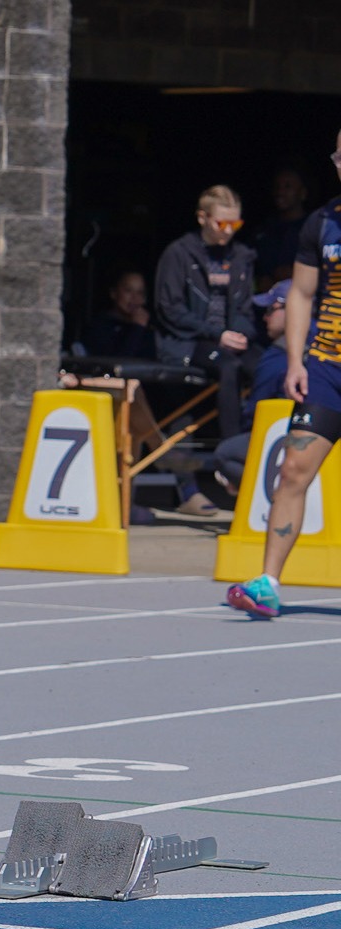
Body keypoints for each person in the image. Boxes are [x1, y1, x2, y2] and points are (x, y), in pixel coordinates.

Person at [226, 130, 341, 620]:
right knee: (293, 470)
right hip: (327, 368)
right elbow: (301, 294)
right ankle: (268, 583)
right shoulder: (323, 221)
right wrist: (296, 361)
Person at [155, 184, 259, 440]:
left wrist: (241, 333)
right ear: (202, 218)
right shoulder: (179, 253)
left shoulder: (242, 256)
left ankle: (265, 437)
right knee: (229, 367)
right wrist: (217, 334)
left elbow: (246, 308)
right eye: (221, 224)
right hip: (190, 341)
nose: (228, 231)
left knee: (268, 365)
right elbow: (170, 309)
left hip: (230, 338)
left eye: (235, 224)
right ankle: (231, 446)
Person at [211, 281, 293, 492]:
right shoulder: (327, 346)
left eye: (270, 310)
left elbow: (256, 415)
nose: (265, 317)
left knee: (225, 454)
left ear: (292, 309)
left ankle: (268, 502)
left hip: (292, 441)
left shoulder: (276, 357)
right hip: (323, 435)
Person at [249, 166, 311, 287]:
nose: (280, 192)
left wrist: (297, 274)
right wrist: (260, 281)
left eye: (288, 187)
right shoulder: (263, 231)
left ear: (303, 193)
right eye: (277, 187)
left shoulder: (314, 228)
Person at [77, 268, 156, 360]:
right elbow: (116, 362)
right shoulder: (99, 326)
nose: (135, 297)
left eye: (140, 292)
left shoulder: (147, 327)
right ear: (113, 293)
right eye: (128, 290)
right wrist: (137, 329)